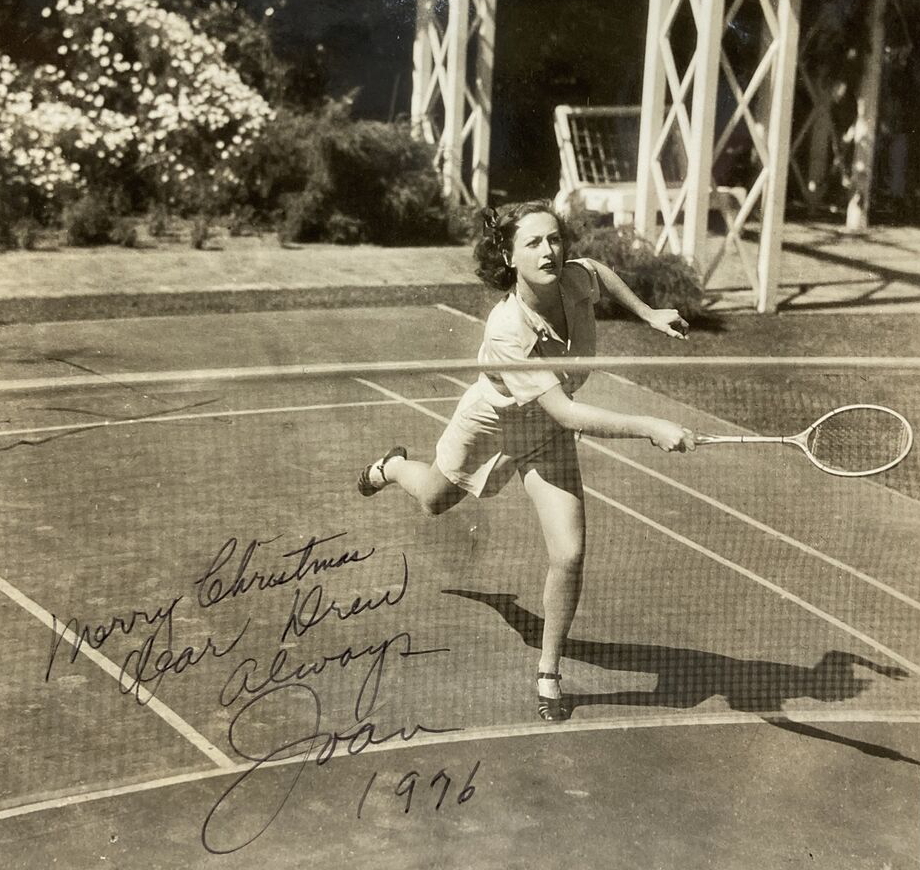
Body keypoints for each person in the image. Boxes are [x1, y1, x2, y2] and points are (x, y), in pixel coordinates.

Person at [358, 200, 696, 722]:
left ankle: (549, 669)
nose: (549, 251)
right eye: (533, 243)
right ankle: (393, 466)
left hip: (544, 436)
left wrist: (649, 314)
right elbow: (565, 411)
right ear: (509, 257)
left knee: (569, 552)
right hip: (491, 424)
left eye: (555, 239)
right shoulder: (505, 328)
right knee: (432, 501)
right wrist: (651, 426)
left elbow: (600, 273)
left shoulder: (575, 279)